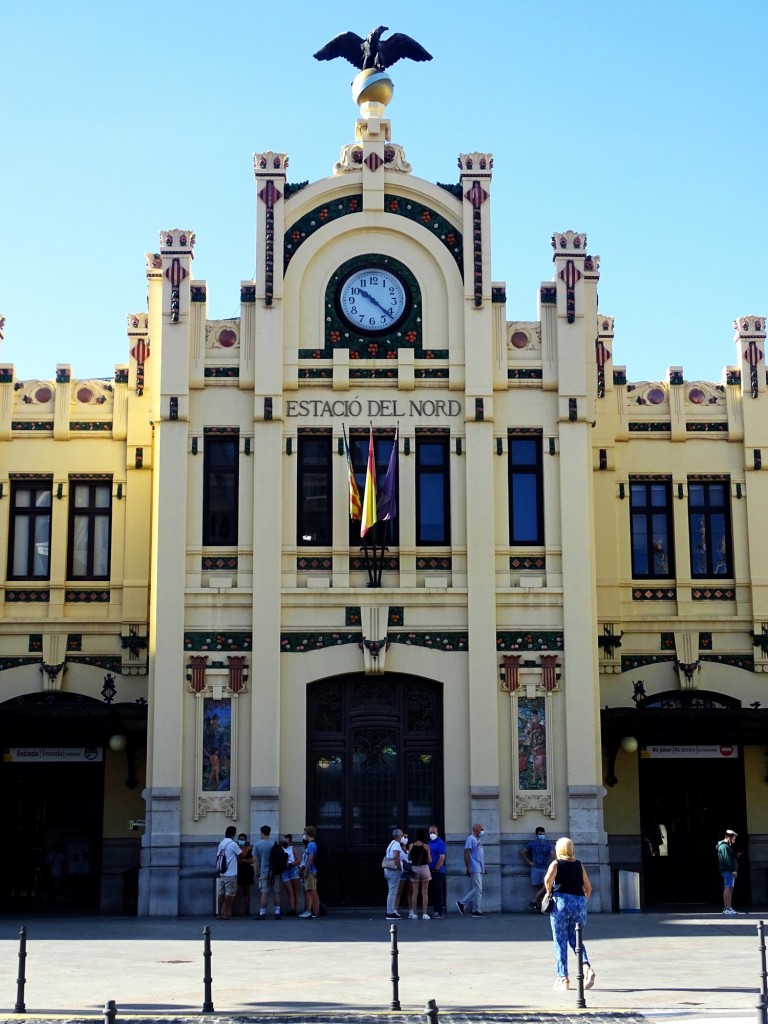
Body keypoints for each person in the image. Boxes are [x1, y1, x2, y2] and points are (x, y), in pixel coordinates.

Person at [543, 836, 596, 991]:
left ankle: (563, 978)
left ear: (559, 850)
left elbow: (547, 880)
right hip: (579, 903)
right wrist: (583, 901)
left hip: (561, 902)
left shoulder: (556, 864)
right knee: (576, 939)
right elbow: (589, 887)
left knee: (560, 940)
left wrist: (549, 892)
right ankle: (587, 968)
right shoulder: (579, 865)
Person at [522, 826, 556, 910]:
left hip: (545, 868)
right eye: (540, 834)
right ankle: (540, 907)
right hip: (535, 868)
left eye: (543, 834)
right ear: (537, 834)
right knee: (538, 888)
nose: (542, 835)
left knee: (545, 887)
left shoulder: (548, 844)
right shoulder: (532, 843)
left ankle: (534, 901)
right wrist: (528, 861)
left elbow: (553, 853)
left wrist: (552, 863)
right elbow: (523, 851)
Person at [456, 823, 486, 917]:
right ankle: (462, 903)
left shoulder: (478, 840)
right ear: (476, 830)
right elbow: (466, 853)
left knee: (478, 890)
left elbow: (479, 855)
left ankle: (476, 910)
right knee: (478, 888)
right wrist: (468, 867)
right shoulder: (471, 839)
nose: (482, 831)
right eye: (481, 829)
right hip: (474, 867)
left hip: (479, 868)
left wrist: (484, 868)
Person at [253, 824, 282, 919]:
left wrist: (256, 871)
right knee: (276, 892)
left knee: (264, 892)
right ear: (269, 833)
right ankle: (277, 912)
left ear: (261, 833)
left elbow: (255, 860)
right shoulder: (275, 843)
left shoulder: (257, 845)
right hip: (275, 871)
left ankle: (262, 913)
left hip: (264, 871)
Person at [215, 825, 242, 920]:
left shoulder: (221, 843)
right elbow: (241, 854)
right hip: (231, 873)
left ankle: (219, 913)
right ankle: (226, 913)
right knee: (229, 894)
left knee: (221, 893)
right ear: (233, 834)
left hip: (222, 872)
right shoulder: (233, 844)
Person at [408, 829, 432, 920]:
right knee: (424, 892)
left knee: (415, 892)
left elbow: (409, 857)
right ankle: (425, 913)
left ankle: (414, 913)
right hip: (424, 868)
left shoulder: (411, 845)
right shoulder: (426, 846)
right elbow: (430, 860)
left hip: (414, 868)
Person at [716, 828, 741, 915]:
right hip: (728, 871)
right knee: (728, 888)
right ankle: (727, 908)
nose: (734, 840)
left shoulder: (725, 846)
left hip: (728, 870)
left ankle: (728, 908)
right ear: (729, 837)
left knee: (729, 888)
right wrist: (733, 870)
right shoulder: (724, 846)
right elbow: (727, 860)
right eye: (733, 838)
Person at [298, 825, 320, 918]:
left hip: (311, 871)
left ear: (308, 834)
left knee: (312, 891)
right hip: (311, 870)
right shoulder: (312, 844)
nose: (303, 835)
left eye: (304, 833)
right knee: (310, 890)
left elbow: (310, 859)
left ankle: (315, 912)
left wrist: (306, 870)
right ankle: (311, 910)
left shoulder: (311, 845)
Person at [383, 828, 404, 920]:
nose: (403, 837)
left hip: (387, 870)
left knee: (391, 892)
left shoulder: (391, 843)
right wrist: (399, 868)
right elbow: (396, 857)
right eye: (402, 835)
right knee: (393, 892)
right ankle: (390, 912)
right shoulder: (396, 844)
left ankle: (390, 911)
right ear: (399, 836)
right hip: (393, 871)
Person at [428, 824, 447, 918]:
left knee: (438, 891)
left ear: (437, 832)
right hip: (429, 871)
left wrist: (436, 868)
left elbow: (442, 857)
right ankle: (435, 909)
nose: (432, 834)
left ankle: (439, 911)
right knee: (432, 891)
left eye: (433, 832)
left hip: (438, 871)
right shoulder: (429, 843)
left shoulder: (440, 843)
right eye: (430, 832)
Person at [234, 833, 255, 917]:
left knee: (246, 892)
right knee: (236, 892)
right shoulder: (236, 849)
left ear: (245, 840)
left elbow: (252, 860)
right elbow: (237, 860)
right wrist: (245, 860)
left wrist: (243, 860)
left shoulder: (249, 849)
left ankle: (243, 911)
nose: (241, 841)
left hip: (247, 872)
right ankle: (232, 911)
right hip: (238, 871)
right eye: (240, 839)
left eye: (243, 839)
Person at [281, 833, 301, 915]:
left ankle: (293, 909)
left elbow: (298, 859)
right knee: (290, 891)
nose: (284, 842)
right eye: (283, 840)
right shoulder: (280, 849)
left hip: (293, 870)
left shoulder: (292, 849)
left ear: (289, 841)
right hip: (284, 871)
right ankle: (292, 908)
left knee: (294, 891)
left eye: (286, 840)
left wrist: (291, 864)